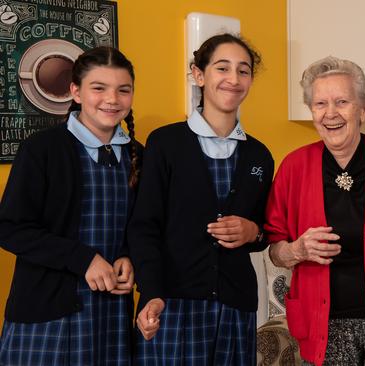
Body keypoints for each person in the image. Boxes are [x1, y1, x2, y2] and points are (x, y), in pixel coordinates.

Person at [265, 56, 365, 366]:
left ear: (364, 109)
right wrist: (297, 249)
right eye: (319, 104)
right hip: (321, 328)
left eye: (342, 101)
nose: (330, 114)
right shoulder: (293, 168)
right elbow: (276, 250)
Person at [128, 33, 273, 366]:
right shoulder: (165, 144)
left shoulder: (260, 155)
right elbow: (144, 226)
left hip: (236, 306)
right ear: (199, 74)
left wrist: (253, 231)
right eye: (222, 68)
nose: (233, 79)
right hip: (171, 303)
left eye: (244, 70)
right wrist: (150, 291)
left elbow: (267, 230)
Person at [0, 46, 141, 365]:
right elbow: (10, 228)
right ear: (75, 91)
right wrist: (83, 259)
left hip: (112, 314)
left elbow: (142, 227)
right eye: (99, 88)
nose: (112, 99)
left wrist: (129, 257)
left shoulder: (139, 156)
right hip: (47, 313)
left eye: (123, 90)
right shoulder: (42, 149)